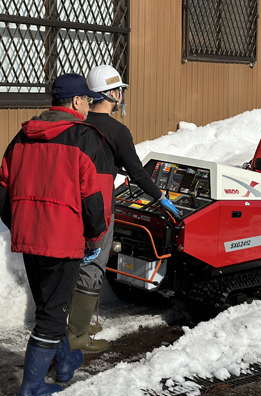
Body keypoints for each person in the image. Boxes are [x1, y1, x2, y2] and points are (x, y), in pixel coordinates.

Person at [0, 73, 112, 396]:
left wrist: (19, 225)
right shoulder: (85, 138)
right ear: (76, 102)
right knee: (51, 314)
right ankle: (31, 388)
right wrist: (94, 239)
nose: (89, 105)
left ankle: (64, 363)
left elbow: (3, 193)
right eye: (88, 100)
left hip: (29, 238)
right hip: (63, 240)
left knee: (50, 305)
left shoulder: (22, 137)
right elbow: (94, 200)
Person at [66, 65, 182, 352]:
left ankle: (78, 322)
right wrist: (161, 198)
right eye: (119, 91)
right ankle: (77, 336)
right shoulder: (117, 130)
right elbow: (138, 172)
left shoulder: (76, 123)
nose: (121, 96)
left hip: (73, 204)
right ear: (112, 94)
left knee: (77, 262)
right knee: (93, 264)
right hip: (100, 205)